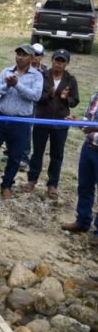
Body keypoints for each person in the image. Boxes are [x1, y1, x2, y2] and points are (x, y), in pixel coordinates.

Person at [0, 44, 43, 199]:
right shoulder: (7, 71)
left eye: (24, 54)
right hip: (1, 117)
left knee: (15, 156)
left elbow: (36, 96)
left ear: (32, 58)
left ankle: (7, 185)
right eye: (18, 54)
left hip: (21, 121)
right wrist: (7, 85)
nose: (20, 57)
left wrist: (17, 85)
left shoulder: (37, 76)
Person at [25, 49, 79, 200]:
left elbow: (75, 101)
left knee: (57, 155)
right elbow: (36, 97)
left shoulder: (70, 80)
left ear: (67, 63)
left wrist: (66, 98)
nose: (59, 63)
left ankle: (52, 184)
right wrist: (48, 94)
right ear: (52, 60)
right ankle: (32, 180)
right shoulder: (42, 76)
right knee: (37, 152)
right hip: (42, 120)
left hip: (60, 123)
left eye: (62, 61)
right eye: (57, 60)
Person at [61, 91, 98, 233]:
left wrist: (93, 127)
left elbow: (93, 126)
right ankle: (82, 221)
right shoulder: (95, 96)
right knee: (85, 186)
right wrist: (77, 122)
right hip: (89, 147)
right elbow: (87, 123)